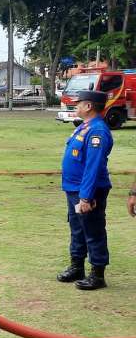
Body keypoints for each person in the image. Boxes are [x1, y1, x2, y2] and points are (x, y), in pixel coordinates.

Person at [56, 90, 113, 290]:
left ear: (89, 106)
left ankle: (97, 274)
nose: (76, 106)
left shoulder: (97, 131)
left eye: (79, 103)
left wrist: (86, 197)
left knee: (93, 230)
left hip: (88, 191)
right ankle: (77, 267)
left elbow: (93, 166)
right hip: (74, 190)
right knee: (77, 229)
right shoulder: (84, 127)